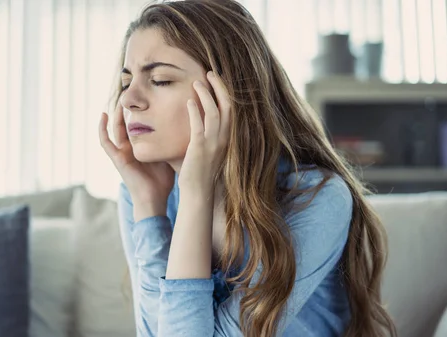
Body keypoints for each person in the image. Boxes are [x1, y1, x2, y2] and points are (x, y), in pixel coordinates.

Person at [98, 0, 397, 336]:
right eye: (126, 82)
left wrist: (197, 193)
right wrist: (149, 208)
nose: (129, 100)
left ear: (227, 93)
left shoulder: (316, 200)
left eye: (161, 79)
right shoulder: (142, 195)